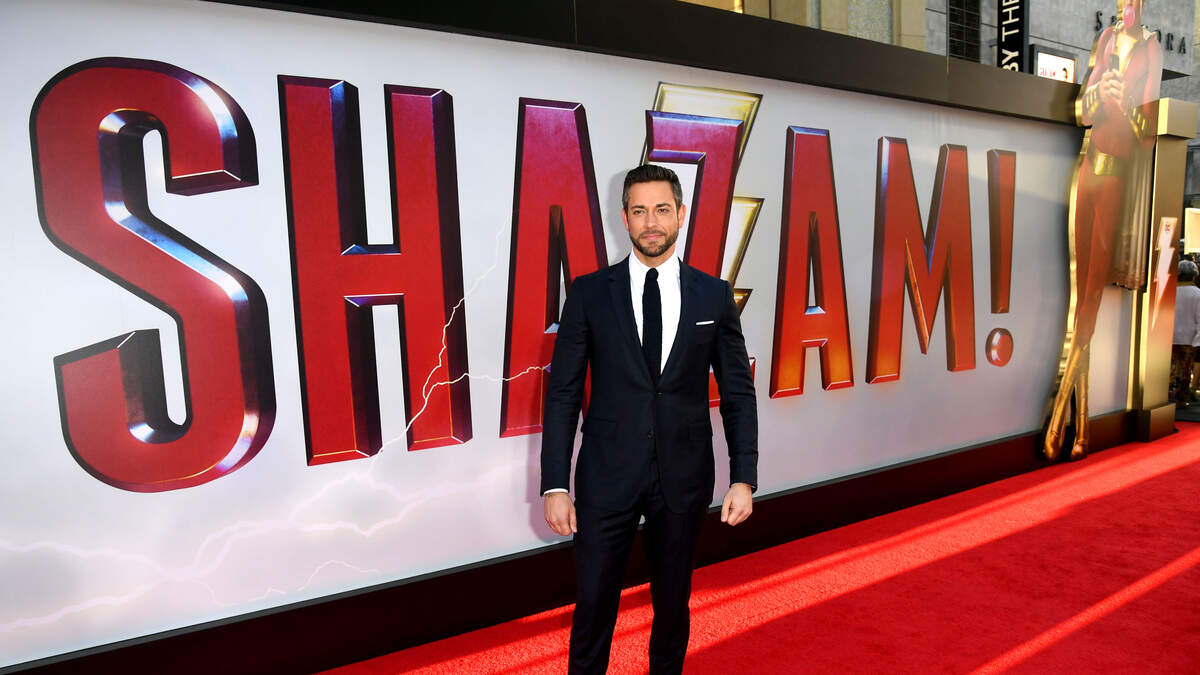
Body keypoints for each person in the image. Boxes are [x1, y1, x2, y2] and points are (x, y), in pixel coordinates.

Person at [541, 164, 758, 674]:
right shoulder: (589, 293)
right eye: (639, 211)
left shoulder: (713, 295)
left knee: (672, 605)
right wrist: (555, 484)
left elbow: (737, 392)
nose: (651, 222)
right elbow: (563, 393)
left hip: (683, 476)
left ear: (681, 215)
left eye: (661, 209)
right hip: (606, 475)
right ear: (624, 219)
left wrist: (743, 476)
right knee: (593, 606)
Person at [1045, 0, 1162, 460]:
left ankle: (1062, 414)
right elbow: (1081, 110)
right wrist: (1098, 94)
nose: (1126, 5)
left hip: (1116, 175)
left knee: (1090, 296)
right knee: (1080, 296)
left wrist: (1125, 103)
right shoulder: (1106, 39)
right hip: (1088, 166)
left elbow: (1148, 128)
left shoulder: (1150, 47)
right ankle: (1082, 428)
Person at [1170, 260, 1200, 403]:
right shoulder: (1197, 294)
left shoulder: (1170, 291)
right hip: (1190, 338)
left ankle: (1170, 395)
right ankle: (1182, 397)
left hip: (1170, 337)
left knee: (1172, 367)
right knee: (1185, 368)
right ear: (1194, 275)